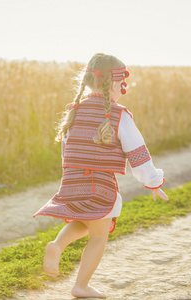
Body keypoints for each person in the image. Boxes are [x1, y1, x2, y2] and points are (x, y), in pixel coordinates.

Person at [33, 53, 169, 298]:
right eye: (122, 84)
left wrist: (73, 176)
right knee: (98, 236)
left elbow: (67, 149)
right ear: (116, 84)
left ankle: (57, 245)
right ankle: (81, 286)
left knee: (85, 221)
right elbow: (137, 150)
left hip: (73, 180)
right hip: (100, 184)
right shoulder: (119, 115)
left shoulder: (74, 111)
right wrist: (153, 181)